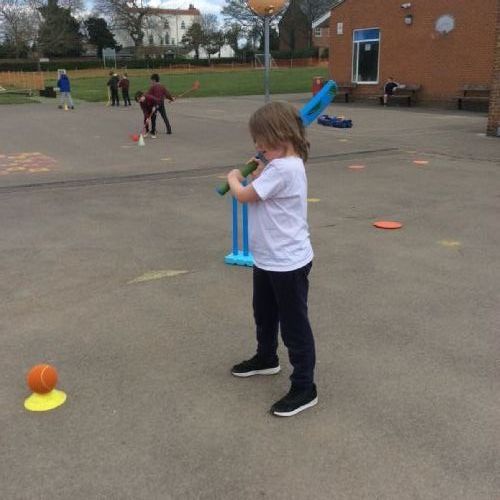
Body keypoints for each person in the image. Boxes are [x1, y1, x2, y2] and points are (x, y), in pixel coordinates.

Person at [226, 101, 317, 418]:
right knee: (264, 313)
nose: (258, 147)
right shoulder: (283, 165)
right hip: (268, 258)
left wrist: (234, 177)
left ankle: (304, 387)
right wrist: (259, 171)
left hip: (287, 263)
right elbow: (265, 190)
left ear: (280, 136)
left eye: (262, 141)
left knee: (294, 325)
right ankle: (266, 358)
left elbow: (244, 195)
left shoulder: (284, 168)